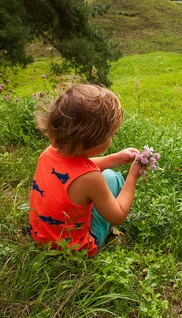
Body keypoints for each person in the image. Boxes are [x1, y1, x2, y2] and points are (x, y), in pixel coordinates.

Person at [29, 84, 141, 256]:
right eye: (111, 134)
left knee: (106, 174)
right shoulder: (91, 178)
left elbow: (75, 168)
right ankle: (100, 239)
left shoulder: (49, 153)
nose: (112, 137)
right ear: (94, 140)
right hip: (76, 251)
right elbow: (118, 216)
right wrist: (132, 176)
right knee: (112, 177)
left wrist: (115, 158)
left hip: (43, 239)